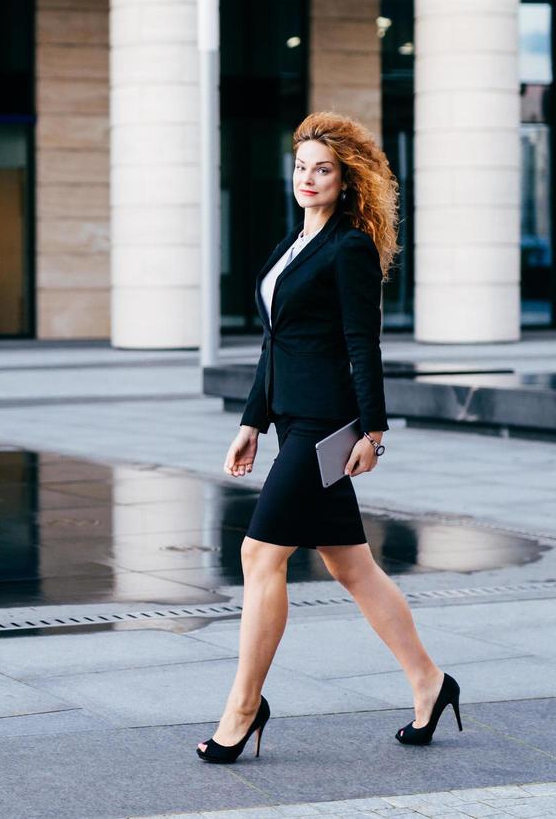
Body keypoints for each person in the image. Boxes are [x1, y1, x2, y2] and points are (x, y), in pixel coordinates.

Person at [196, 111, 461, 764]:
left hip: (326, 428)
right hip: (291, 424)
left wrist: (373, 429)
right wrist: (251, 421)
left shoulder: (349, 248)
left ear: (346, 181)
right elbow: (274, 343)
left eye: (323, 170)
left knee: (261, 556)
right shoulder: (292, 245)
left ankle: (244, 707)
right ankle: (431, 682)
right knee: (352, 566)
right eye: (301, 167)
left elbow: (360, 345)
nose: (308, 179)